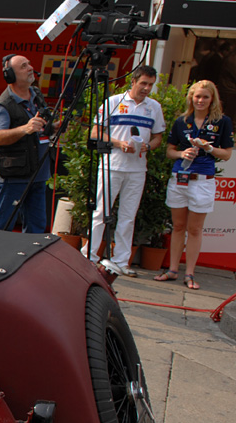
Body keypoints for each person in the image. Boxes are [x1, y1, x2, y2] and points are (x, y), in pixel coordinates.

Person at [83, 66, 166, 276]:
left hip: (137, 168)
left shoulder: (154, 107)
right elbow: (95, 132)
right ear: (133, 81)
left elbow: (158, 137)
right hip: (112, 164)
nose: (147, 88)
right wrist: (119, 143)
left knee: (128, 216)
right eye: (143, 83)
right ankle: (88, 258)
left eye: (150, 84)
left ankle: (121, 261)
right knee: (101, 212)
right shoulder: (113, 102)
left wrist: (148, 146)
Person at [156, 80, 233, 290]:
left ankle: (189, 273)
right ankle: (172, 269)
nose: (200, 100)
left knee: (195, 229)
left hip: (203, 180)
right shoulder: (182, 121)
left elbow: (226, 154)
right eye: (197, 96)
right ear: (191, 97)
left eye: (205, 97)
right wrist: (182, 153)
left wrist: (209, 148)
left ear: (212, 99)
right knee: (178, 226)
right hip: (180, 179)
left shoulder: (222, 121)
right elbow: (169, 151)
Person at [0, 54, 54, 233]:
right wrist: (25, 128)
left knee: (37, 227)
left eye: (29, 64)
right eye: (23, 66)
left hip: (38, 174)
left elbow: (42, 128)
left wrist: (54, 127)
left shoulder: (36, 95)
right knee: (3, 225)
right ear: (10, 75)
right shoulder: (3, 105)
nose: (30, 68)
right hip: (14, 175)